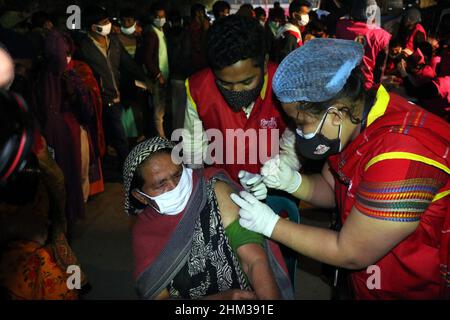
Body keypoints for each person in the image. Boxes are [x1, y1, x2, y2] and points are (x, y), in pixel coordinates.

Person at [230, 38, 450, 299]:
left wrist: (270, 225)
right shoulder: (357, 122)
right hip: (368, 283)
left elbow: (350, 252)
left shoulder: (400, 154)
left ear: (334, 114)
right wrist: (290, 181)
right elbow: (333, 187)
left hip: (409, 288)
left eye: (301, 123)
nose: (297, 132)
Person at [123, 137, 294, 300]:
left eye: (178, 175)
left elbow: (254, 259)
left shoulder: (212, 191)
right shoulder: (144, 233)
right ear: (140, 196)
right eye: (161, 184)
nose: (175, 187)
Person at [182, 15, 298, 188]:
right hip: (221, 188)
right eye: (225, 83)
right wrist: (205, 185)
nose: (236, 91)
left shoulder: (285, 85)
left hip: (276, 188)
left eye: (246, 82)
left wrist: (271, 179)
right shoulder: (198, 88)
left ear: (264, 63)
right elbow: (194, 147)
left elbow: (292, 148)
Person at [77, 5, 150, 168]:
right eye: (104, 22)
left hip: (118, 95)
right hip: (100, 99)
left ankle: (122, 165)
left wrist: (145, 78)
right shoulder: (83, 48)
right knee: (115, 135)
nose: (108, 24)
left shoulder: (114, 42)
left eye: (108, 20)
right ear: (93, 26)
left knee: (119, 134)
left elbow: (128, 63)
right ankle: (125, 168)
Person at [335, 0, 391, 90]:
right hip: (365, 86)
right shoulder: (382, 36)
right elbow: (380, 68)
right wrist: (375, 89)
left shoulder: (342, 26)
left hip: (341, 82)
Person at [139, 2, 170, 138]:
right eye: (158, 16)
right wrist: (158, 75)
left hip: (164, 75)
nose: (160, 19)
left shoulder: (162, 31)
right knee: (158, 111)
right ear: (152, 17)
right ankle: (160, 137)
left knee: (162, 108)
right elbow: (147, 58)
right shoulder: (151, 34)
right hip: (158, 77)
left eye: (162, 16)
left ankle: (160, 135)